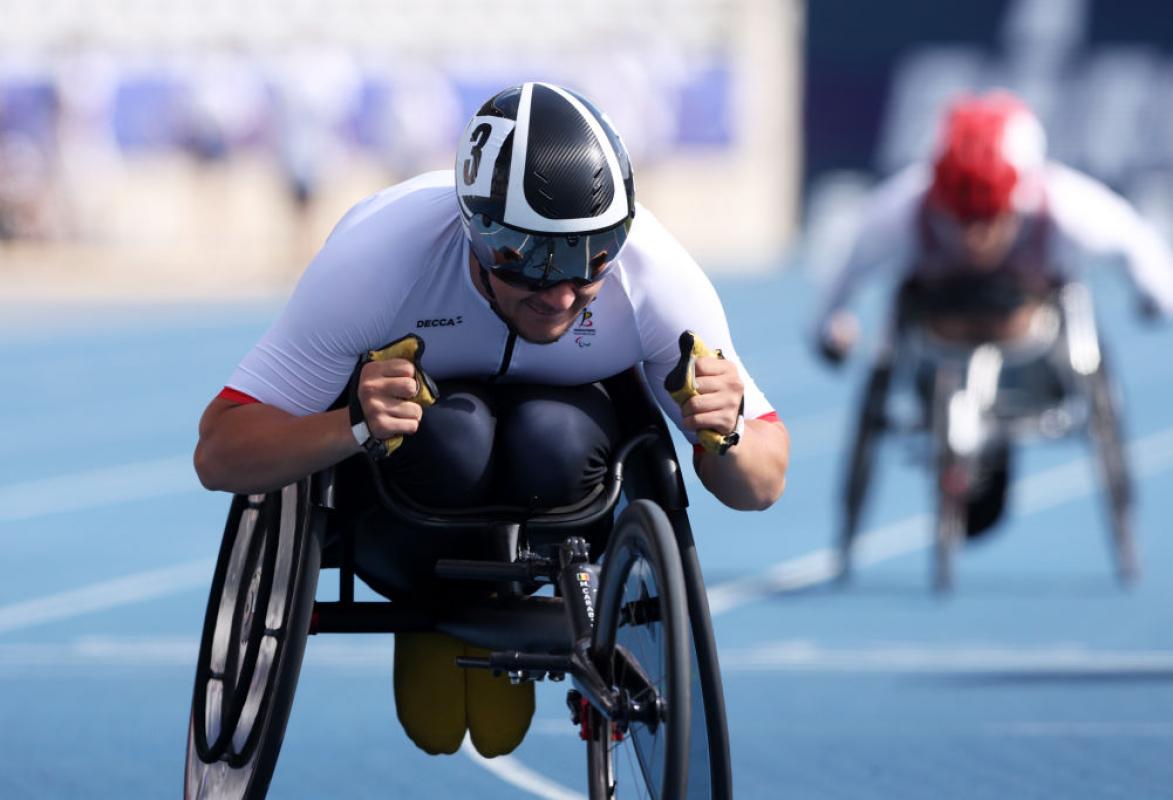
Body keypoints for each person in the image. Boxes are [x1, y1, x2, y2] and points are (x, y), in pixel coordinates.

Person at [194, 82, 789, 758]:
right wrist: (353, 424)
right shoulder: (380, 260)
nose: (563, 292)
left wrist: (730, 435)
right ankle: (432, 610)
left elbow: (762, 483)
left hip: (561, 488)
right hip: (406, 498)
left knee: (551, 437)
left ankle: (516, 596)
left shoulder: (654, 276)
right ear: (479, 233)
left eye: (591, 258)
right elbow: (219, 453)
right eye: (534, 262)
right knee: (457, 435)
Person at [813, 89, 1173, 539]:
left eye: (989, 217)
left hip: (1031, 345)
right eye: (961, 217)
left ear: (1018, 194)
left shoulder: (1062, 203)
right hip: (938, 337)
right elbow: (840, 280)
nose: (974, 239)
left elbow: (1141, 250)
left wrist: (1158, 298)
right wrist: (831, 330)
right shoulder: (903, 208)